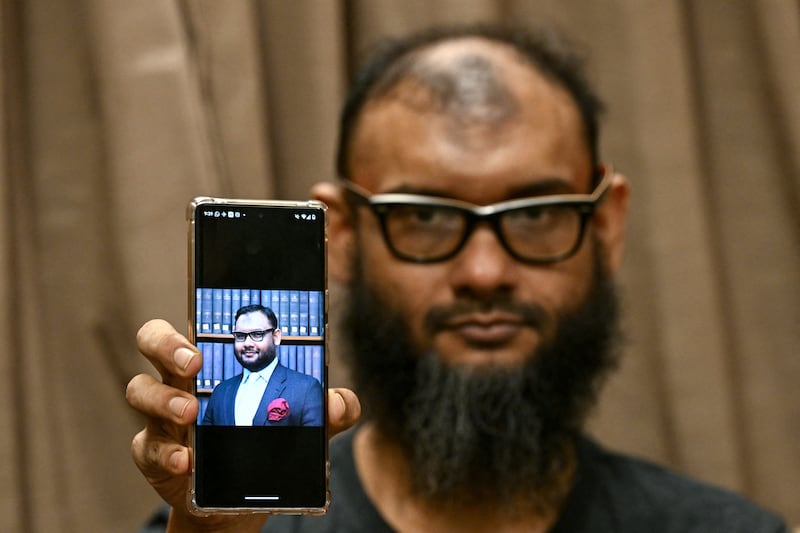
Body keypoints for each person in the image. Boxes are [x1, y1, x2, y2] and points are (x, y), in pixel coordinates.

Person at [128, 24, 788, 533]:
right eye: (424, 216)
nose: (485, 272)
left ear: (607, 226)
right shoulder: (222, 530)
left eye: (535, 213)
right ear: (343, 235)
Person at [201, 304, 323, 426]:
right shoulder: (221, 392)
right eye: (240, 336)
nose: (247, 343)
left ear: (276, 337)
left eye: (257, 334)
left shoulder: (306, 389)